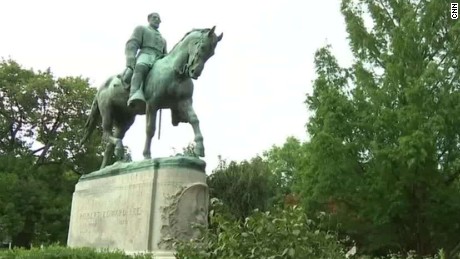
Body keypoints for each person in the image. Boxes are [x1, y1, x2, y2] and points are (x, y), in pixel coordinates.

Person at [122, 12, 167, 108]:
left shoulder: (163, 40)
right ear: (149, 19)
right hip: (145, 54)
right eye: (155, 18)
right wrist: (130, 55)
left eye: (159, 19)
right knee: (141, 66)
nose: (157, 20)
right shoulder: (141, 29)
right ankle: (134, 93)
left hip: (158, 59)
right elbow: (133, 42)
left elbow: (165, 54)